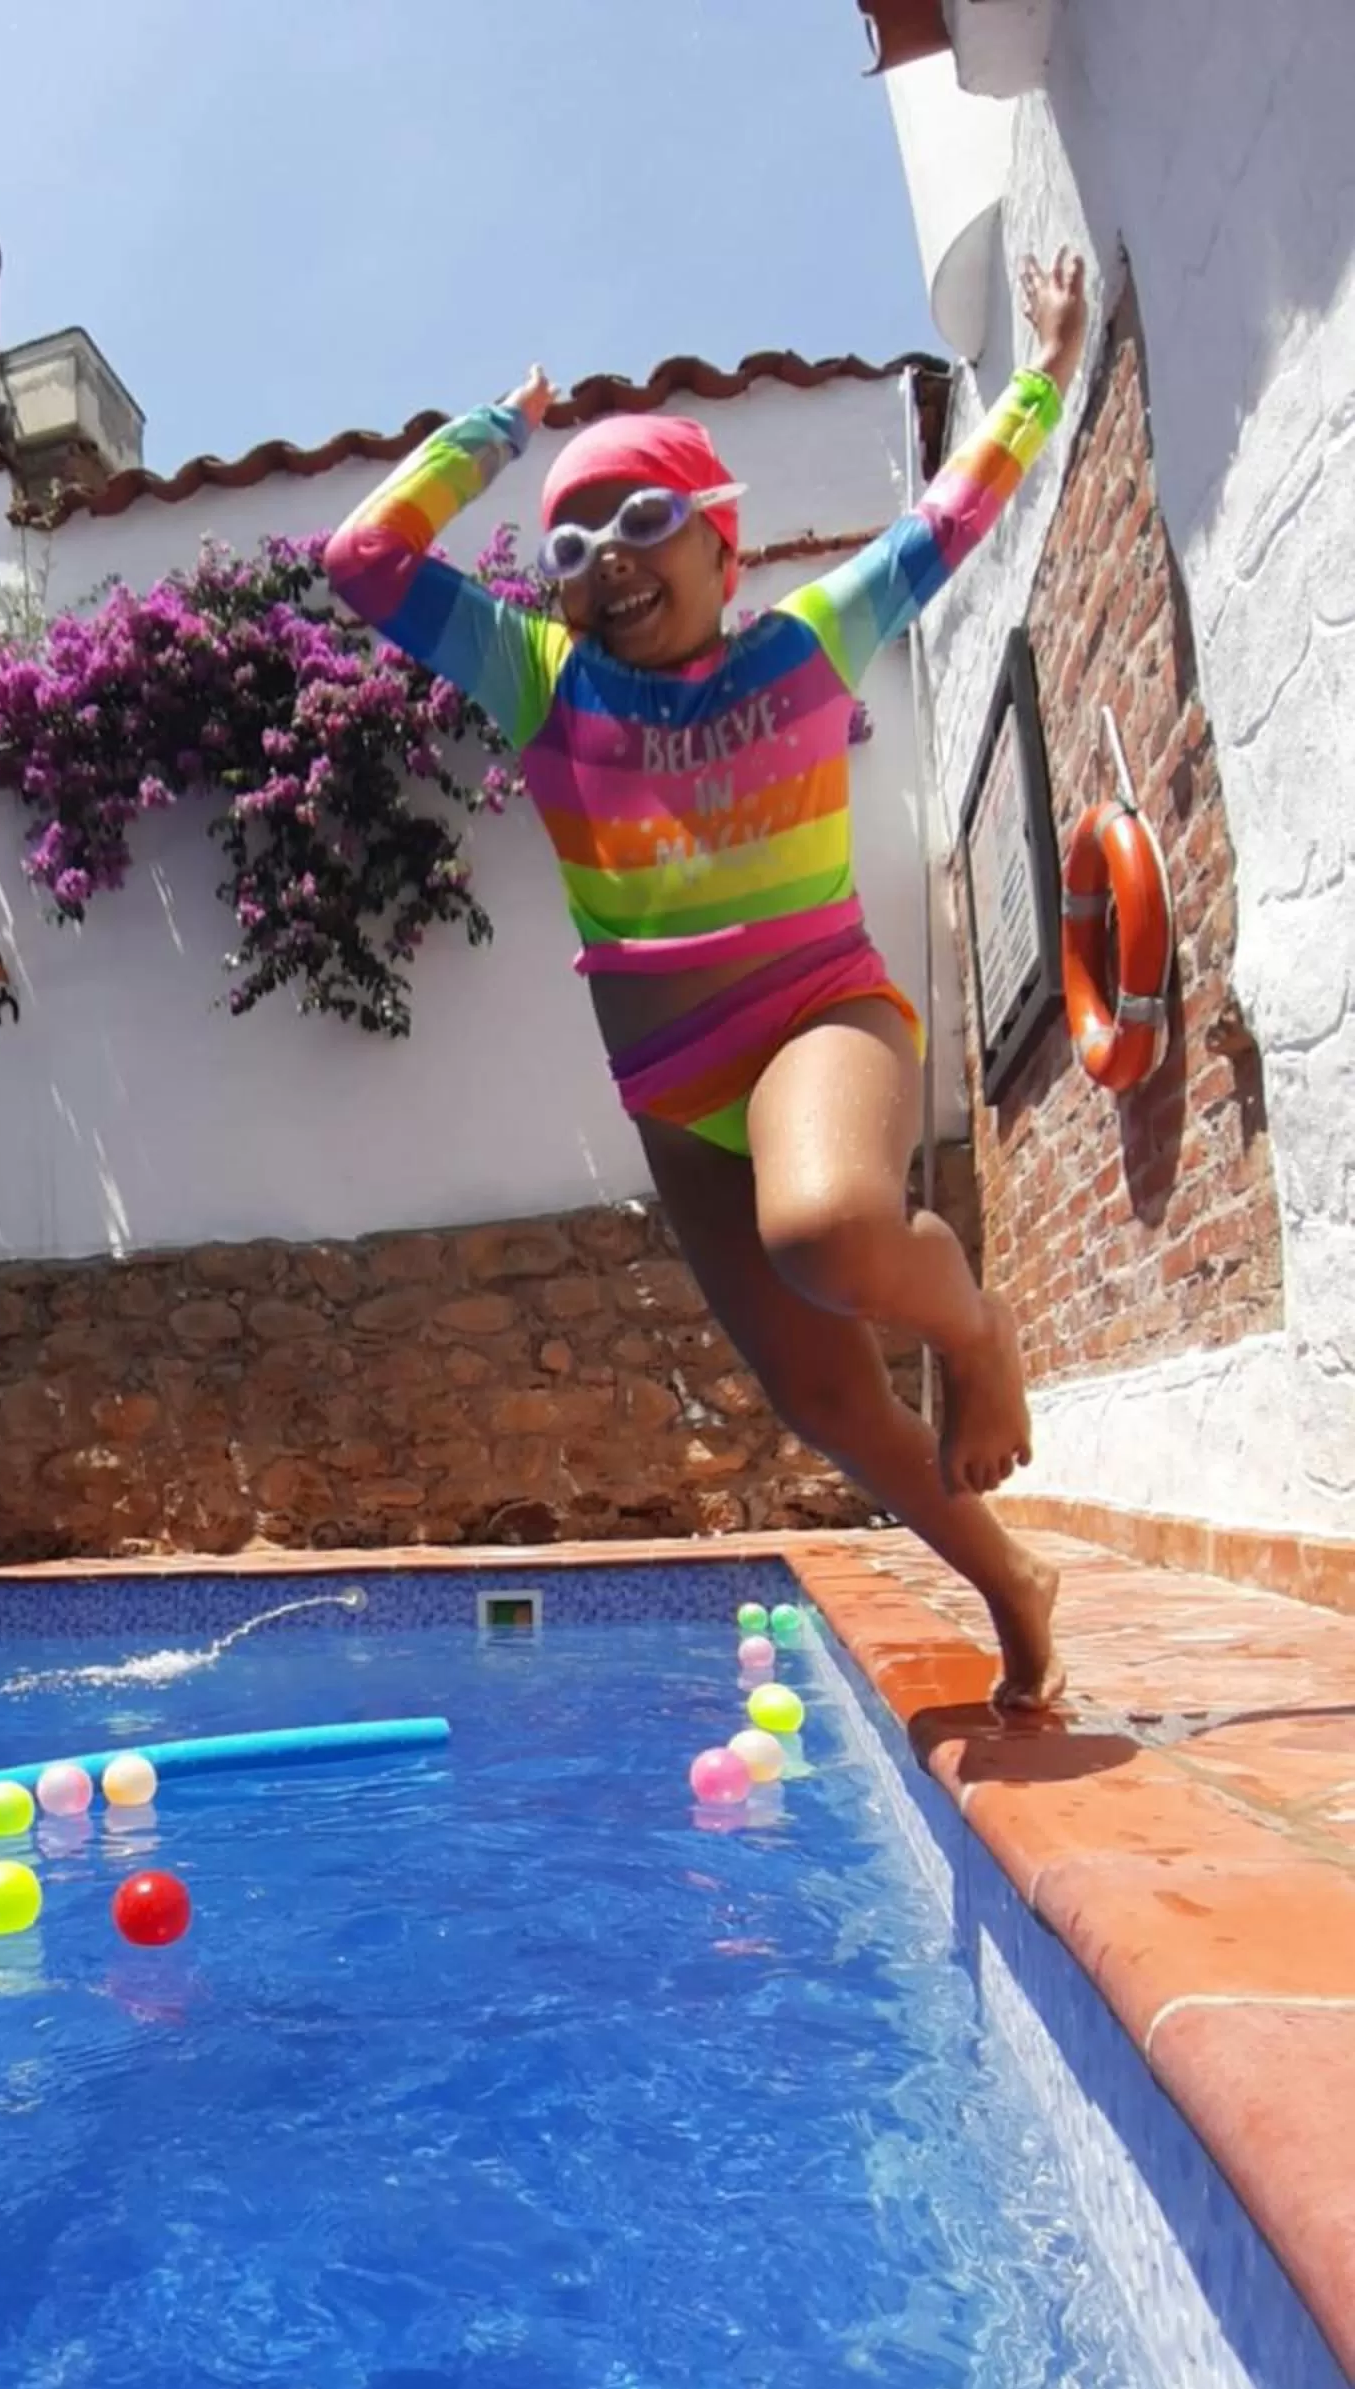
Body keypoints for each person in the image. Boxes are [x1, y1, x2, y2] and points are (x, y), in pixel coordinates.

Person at [325, 252, 1089, 1708]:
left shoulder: (806, 646)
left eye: (643, 519)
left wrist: (1043, 365)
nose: (607, 556)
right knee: (819, 1398)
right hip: (674, 1096)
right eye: (570, 543)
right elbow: (362, 561)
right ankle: (1015, 1584)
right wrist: (492, 433)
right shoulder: (542, 679)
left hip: (817, 1017)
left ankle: (976, 1329)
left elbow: (952, 514)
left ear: (720, 545)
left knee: (828, 1224)